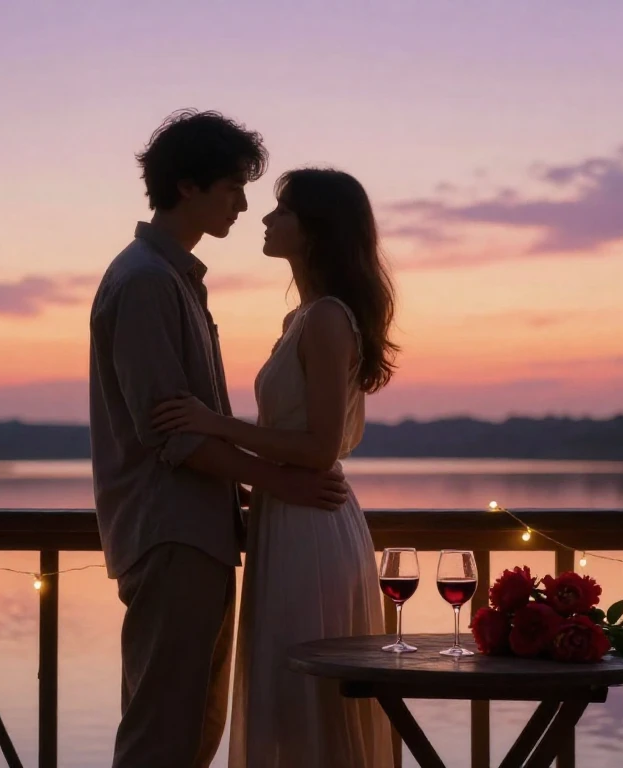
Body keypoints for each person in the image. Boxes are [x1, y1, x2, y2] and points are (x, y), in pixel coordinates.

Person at [88, 111, 350, 768]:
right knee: (162, 735)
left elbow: (190, 425)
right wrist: (285, 483)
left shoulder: (175, 279)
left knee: (193, 730)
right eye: (232, 186)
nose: (243, 203)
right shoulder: (147, 282)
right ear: (187, 187)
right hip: (171, 533)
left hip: (199, 533)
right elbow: (169, 436)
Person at [151, 167, 400, 768]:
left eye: (282, 211)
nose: (265, 219)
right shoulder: (305, 319)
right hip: (285, 515)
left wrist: (212, 423)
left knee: (305, 697)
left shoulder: (327, 319)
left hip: (309, 525)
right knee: (286, 698)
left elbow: (318, 448)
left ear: (316, 230)